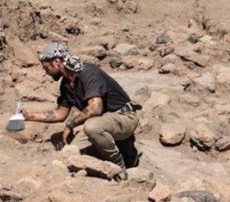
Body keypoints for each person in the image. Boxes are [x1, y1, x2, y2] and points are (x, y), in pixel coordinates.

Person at [20, 42, 141, 179]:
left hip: (124, 117)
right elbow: (59, 113)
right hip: (102, 122)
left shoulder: (88, 72)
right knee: (71, 153)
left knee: (92, 127)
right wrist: (29, 116)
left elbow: (96, 108)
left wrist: (71, 124)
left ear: (56, 61)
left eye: (46, 67)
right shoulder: (66, 84)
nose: (45, 72)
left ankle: (119, 169)